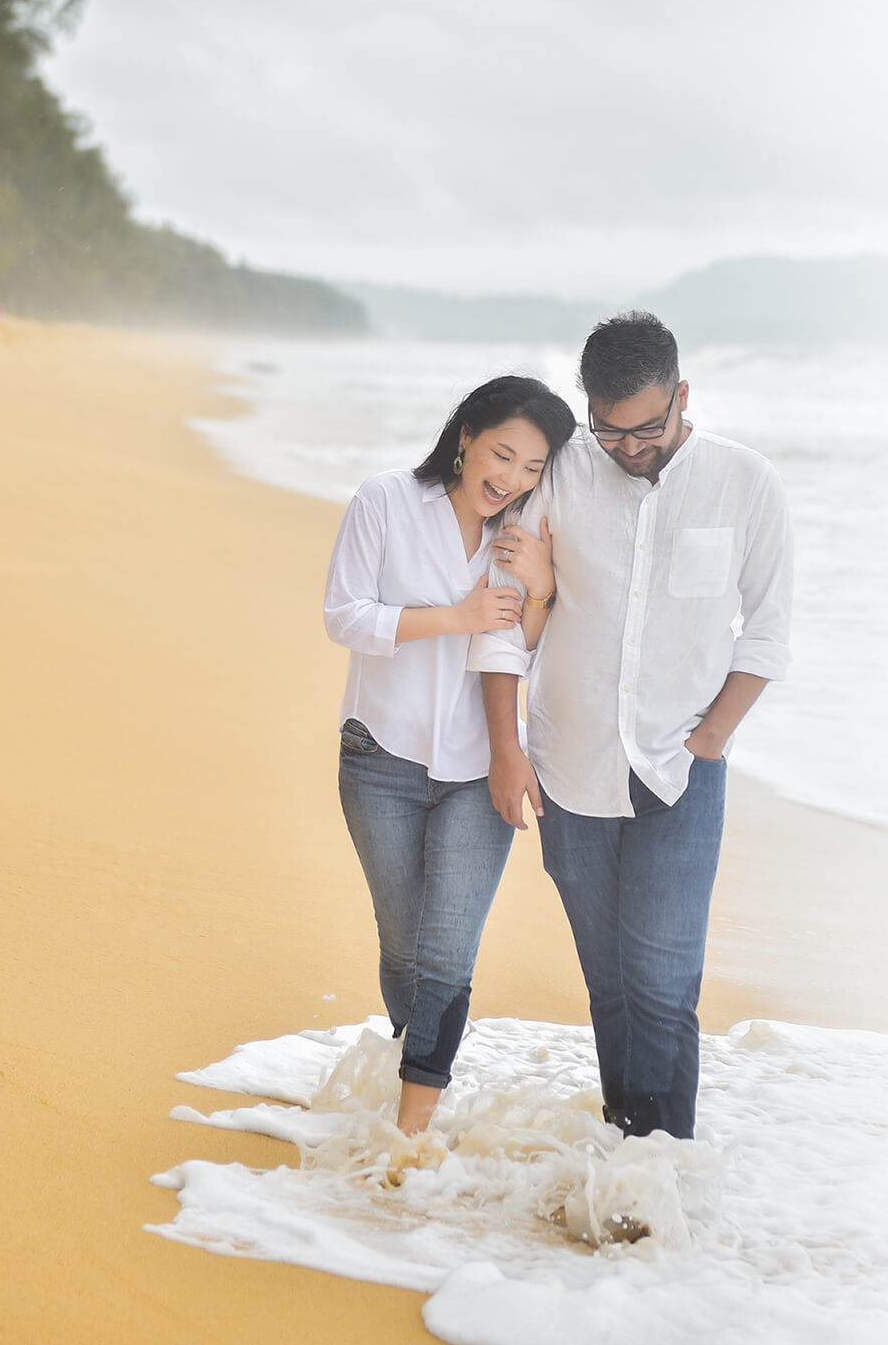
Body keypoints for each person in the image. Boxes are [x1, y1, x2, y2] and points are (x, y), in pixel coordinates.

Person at [470, 313, 793, 1142]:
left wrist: (712, 737)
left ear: (682, 395)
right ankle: (630, 1145)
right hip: (566, 766)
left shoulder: (746, 483)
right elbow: (506, 619)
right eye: (607, 430)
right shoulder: (564, 470)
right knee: (609, 983)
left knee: (661, 981)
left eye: (647, 427)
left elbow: (765, 632)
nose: (627, 446)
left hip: (680, 770)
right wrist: (506, 750)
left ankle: (658, 1167)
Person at [324, 374, 577, 1137]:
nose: (513, 480)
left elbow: (518, 649)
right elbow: (346, 617)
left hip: (477, 769)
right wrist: (453, 617)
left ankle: (410, 1135)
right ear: (465, 435)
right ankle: (411, 1066)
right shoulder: (385, 501)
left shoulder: (522, 535)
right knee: (403, 947)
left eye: (534, 468)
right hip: (380, 756)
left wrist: (540, 592)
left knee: (445, 953)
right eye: (503, 455)